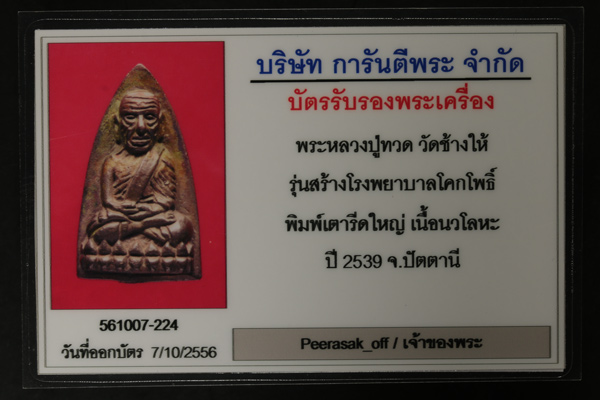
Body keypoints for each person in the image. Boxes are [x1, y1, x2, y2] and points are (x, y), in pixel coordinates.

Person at [85, 88, 193, 248]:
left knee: (183, 224)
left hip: (151, 214)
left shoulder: (162, 158)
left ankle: (136, 230)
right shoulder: (111, 162)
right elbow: (108, 201)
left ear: (160, 124)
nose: (141, 127)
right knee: (96, 225)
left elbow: (166, 201)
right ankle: (144, 228)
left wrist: (147, 209)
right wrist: (123, 208)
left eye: (149, 118)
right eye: (130, 117)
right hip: (122, 215)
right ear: (118, 124)